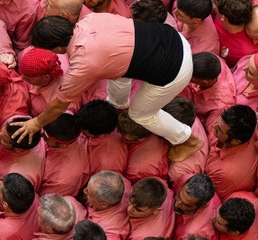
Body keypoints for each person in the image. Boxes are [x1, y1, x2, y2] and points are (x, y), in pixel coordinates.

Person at [16, 14, 203, 162]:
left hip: (175, 70)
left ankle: (186, 140)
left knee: (140, 114)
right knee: (116, 73)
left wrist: (36, 123)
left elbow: (59, 105)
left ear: (56, 48)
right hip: (172, 38)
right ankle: (117, 105)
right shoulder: (90, 19)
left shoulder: (83, 63)